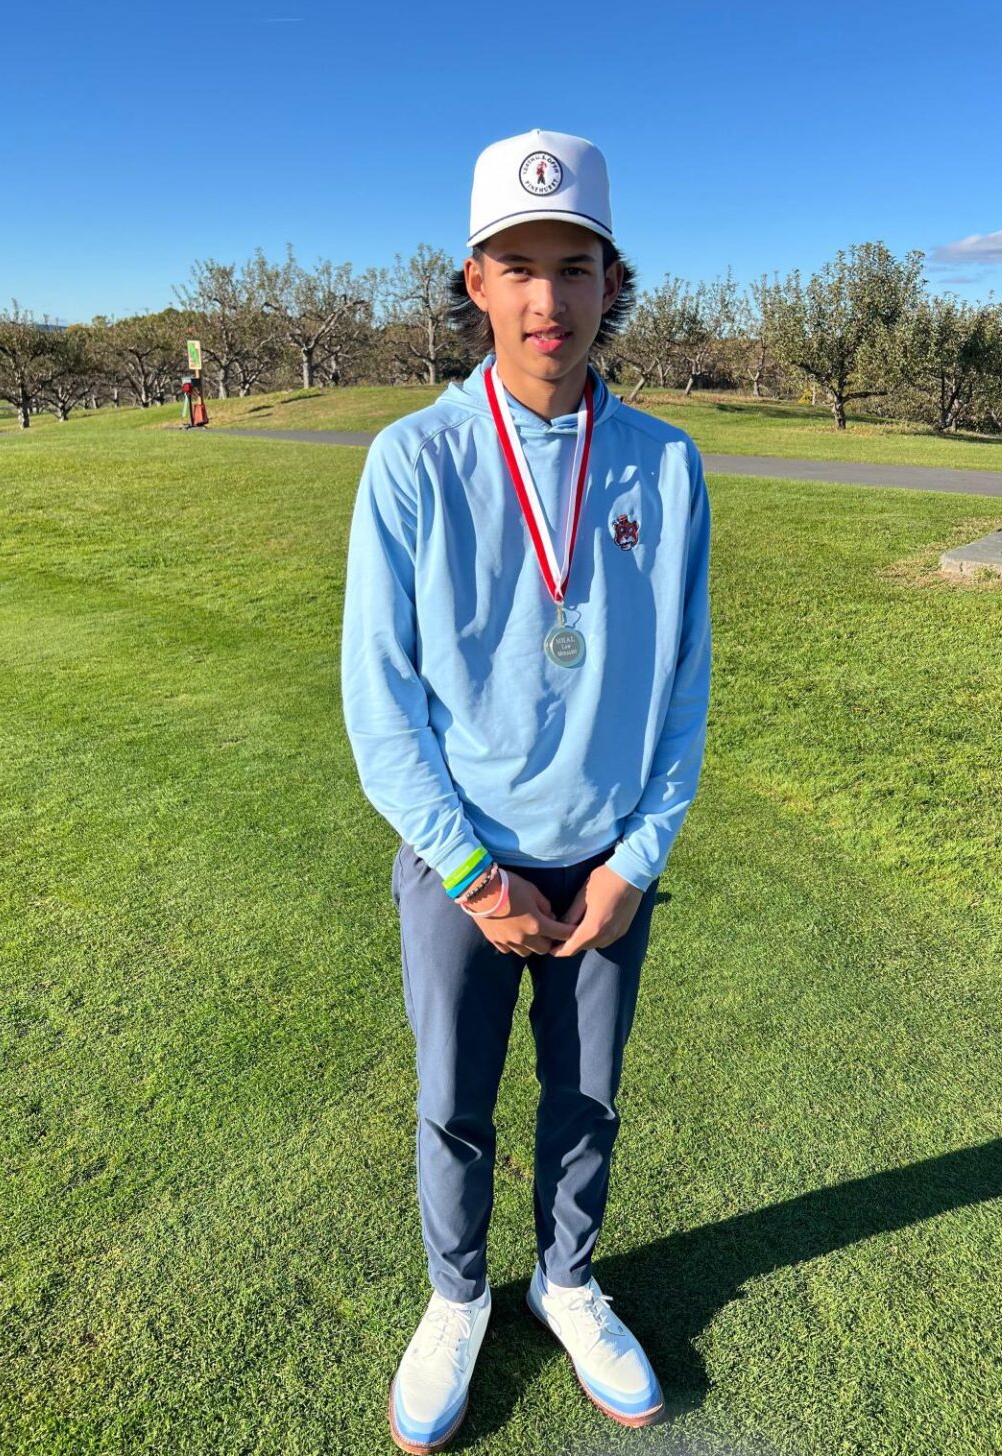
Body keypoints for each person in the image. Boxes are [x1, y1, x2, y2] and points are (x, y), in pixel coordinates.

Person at [340, 128, 712, 1453]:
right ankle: (456, 1299)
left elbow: (682, 685)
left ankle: (564, 1280)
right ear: (475, 284)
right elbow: (379, 704)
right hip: (467, 862)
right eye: (518, 267)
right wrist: (469, 870)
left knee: (588, 1093)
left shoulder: (666, 466)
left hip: (608, 857)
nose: (548, 298)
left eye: (575, 266)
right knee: (456, 1098)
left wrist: (636, 858)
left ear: (615, 284)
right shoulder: (412, 461)